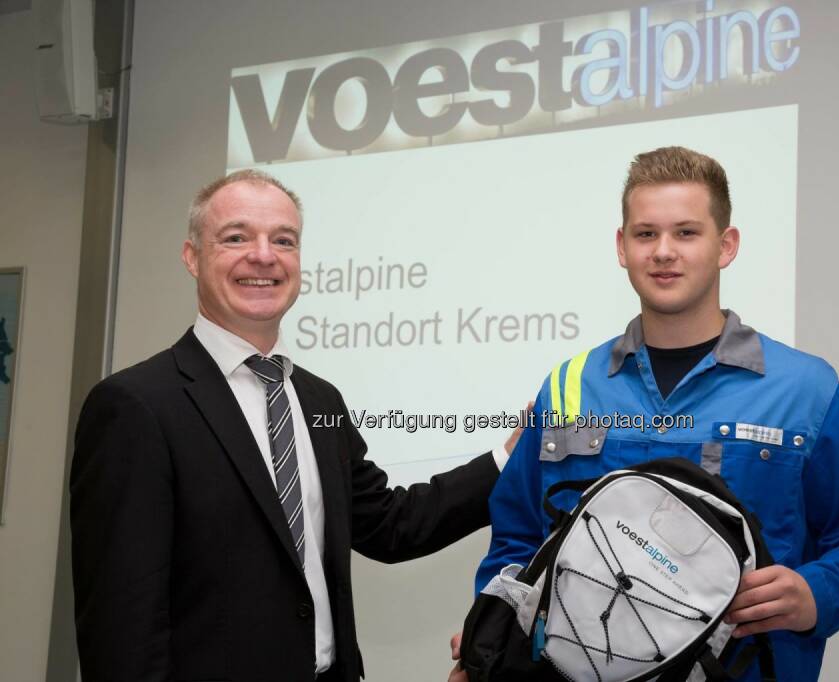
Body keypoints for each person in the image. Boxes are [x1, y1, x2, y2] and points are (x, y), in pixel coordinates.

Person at [450, 147, 839, 681]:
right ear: (622, 248)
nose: (664, 251)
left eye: (686, 233)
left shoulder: (804, 390)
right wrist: (487, 639)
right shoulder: (570, 386)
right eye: (646, 234)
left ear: (726, 245)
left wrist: (816, 593)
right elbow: (516, 540)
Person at [70, 169, 516, 682]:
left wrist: (509, 458)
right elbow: (120, 627)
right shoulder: (134, 406)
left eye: (283, 240)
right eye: (236, 237)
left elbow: (391, 526)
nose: (263, 255)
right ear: (192, 257)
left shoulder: (318, 398)